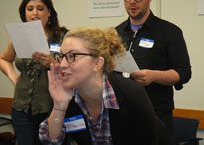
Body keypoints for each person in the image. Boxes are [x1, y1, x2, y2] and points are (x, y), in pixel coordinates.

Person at [38, 27, 166, 145]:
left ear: (97, 63)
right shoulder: (66, 94)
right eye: (62, 56)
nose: (63, 65)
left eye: (72, 56)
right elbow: (50, 142)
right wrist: (59, 106)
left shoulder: (131, 94)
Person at [116, 0, 192, 134]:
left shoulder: (169, 32)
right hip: (121, 113)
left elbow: (183, 72)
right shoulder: (116, 33)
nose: (132, 2)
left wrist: (153, 76)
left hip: (155, 114)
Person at [0, 0, 68, 145]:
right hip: (22, 109)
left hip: (52, 109)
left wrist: (53, 64)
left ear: (49, 12)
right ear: (24, 13)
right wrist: (13, 76)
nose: (34, 13)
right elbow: (3, 59)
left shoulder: (63, 37)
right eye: (30, 9)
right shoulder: (19, 37)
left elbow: (75, 71)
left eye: (40, 8)